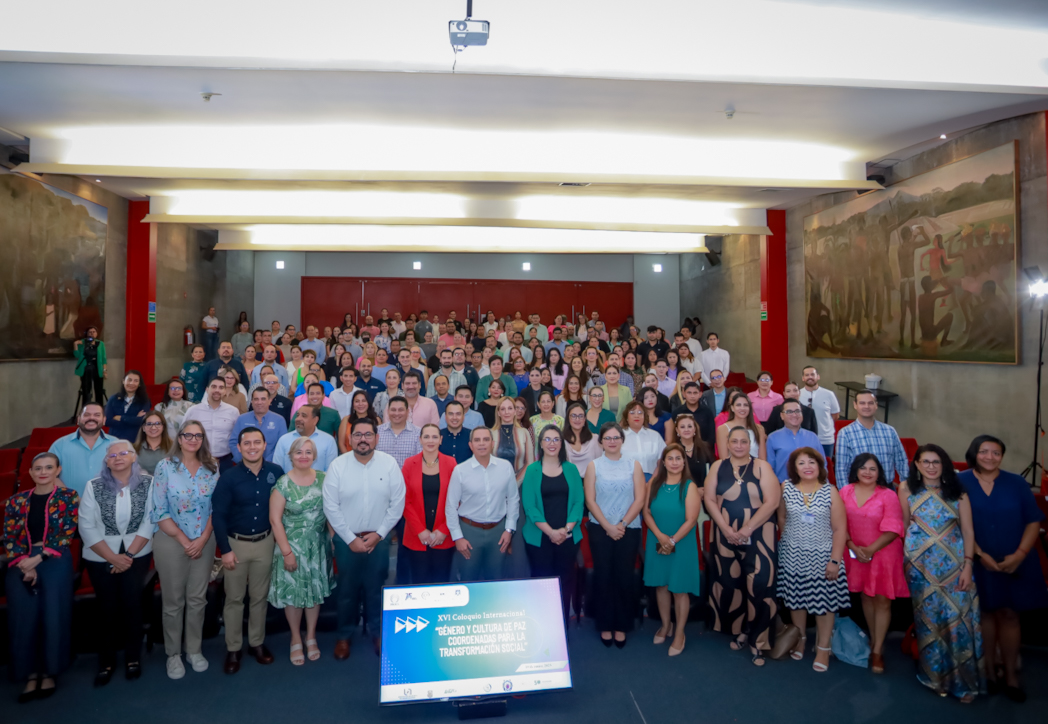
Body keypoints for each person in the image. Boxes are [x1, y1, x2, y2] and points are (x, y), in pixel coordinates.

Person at [958, 435, 1047, 701]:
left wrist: (1020, 554)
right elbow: (956, 523)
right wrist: (980, 555)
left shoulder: (1016, 483)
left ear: (1002, 456)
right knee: (984, 613)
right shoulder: (961, 481)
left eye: (996, 453)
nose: (989, 457)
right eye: (984, 452)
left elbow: (1033, 521)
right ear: (974, 453)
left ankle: (1011, 675)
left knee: (1010, 615)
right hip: (978, 560)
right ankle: (988, 673)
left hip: (1016, 560)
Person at [899, 444, 984, 702]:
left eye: (936, 462)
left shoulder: (957, 492)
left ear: (944, 464)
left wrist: (968, 564)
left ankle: (965, 683)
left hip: (954, 566)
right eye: (925, 461)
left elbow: (968, 531)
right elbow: (906, 525)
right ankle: (934, 678)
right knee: (929, 623)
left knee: (959, 622)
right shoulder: (905, 489)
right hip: (920, 566)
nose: (931, 467)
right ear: (917, 464)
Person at [324, 418, 406, 659]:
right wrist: (350, 538)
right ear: (350, 439)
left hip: (378, 541)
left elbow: (397, 503)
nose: (363, 439)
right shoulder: (338, 465)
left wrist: (380, 533)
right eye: (358, 434)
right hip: (346, 540)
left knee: (376, 589)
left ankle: (377, 632)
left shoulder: (389, 464)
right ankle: (344, 635)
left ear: (376, 438)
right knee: (346, 591)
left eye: (368, 434)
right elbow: (330, 506)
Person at [79, 440, 156, 686]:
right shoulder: (93, 485)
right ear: (106, 461)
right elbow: (86, 525)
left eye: (124, 453)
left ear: (134, 457)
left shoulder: (149, 483)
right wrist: (112, 557)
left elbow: (149, 521)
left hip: (138, 552)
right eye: (112, 455)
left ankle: (133, 657)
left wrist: (129, 556)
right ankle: (107, 661)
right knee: (107, 609)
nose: (118, 457)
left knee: (132, 605)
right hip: (100, 555)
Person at [3, 452, 78, 702]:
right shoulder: (16, 501)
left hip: (54, 560)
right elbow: (10, 536)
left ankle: (49, 671)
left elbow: (65, 532)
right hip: (20, 562)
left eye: (48, 467)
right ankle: (29, 672)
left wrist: (38, 559)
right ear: (31, 473)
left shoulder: (68, 497)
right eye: (38, 468)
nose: (43, 471)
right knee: (23, 618)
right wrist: (24, 564)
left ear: (58, 471)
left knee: (54, 616)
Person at [704, 426, 781, 666]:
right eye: (734, 441)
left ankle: (758, 641)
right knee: (731, 583)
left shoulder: (762, 467)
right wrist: (726, 529)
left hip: (759, 534)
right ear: (727, 443)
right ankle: (742, 630)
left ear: (750, 444)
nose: (738, 445)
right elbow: (708, 498)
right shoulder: (718, 466)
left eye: (743, 442)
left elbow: (772, 502)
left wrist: (747, 529)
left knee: (759, 584)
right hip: (725, 533)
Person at [150, 420, 219, 679]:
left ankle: (194, 649)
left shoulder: (212, 467)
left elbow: (216, 508)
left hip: (204, 539)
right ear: (179, 439)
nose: (192, 439)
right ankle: (173, 655)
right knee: (173, 601)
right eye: (187, 435)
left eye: (198, 435)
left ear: (203, 439)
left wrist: (202, 539)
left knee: (198, 598)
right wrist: (183, 539)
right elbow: (159, 509)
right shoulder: (165, 466)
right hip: (171, 541)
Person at [212, 427, 283, 673]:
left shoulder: (276, 472)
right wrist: (225, 550)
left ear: (265, 445)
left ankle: (256, 643)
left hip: (265, 543)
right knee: (234, 599)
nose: (252, 447)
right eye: (247, 443)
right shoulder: (228, 477)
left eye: (257, 442)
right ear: (239, 448)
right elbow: (219, 516)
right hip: (236, 545)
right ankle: (233, 648)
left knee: (259, 597)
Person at [776, 447, 850, 672]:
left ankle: (823, 648)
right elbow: (782, 519)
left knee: (824, 604)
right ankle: (800, 639)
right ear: (794, 468)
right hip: (792, 555)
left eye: (812, 462)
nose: (807, 467)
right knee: (796, 601)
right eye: (801, 463)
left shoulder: (830, 491)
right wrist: (792, 543)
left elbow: (840, 529)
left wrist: (835, 561)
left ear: (820, 466)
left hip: (823, 556)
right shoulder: (786, 488)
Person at [267, 435, 334, 660]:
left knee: (313, 594)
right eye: (299, 452)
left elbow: (332, 514)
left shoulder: (325, 479)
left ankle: (311, 636)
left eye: (308, 452)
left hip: (318, 547)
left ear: (314, 456)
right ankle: (296, 637)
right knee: (294, 595)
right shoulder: (283, 484)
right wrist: (286, 552)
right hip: (291, 548)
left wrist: (333, 541)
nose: (303, 456)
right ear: (291, 456)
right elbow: (275, 520)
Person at [840, 453, 908, 675]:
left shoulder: (888, 494)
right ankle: (873, 638)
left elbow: (894, 527)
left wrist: (870, 549)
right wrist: (851, 544)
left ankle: (878, 649)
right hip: (855, 553)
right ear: (855, 470)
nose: (867, 472)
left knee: (882, 600)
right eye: (863, 468)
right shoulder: (845, 491)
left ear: (879, 472)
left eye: (873, 469)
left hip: (883, 553)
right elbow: (840, 523)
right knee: (865, 597)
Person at [584, 422, 645, 647]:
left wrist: (622, 523)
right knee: (604, 576)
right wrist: (608, 526)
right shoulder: (594, 466)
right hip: (600, 529)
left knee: (624, 576)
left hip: (628, 529)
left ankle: (622, 625)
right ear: (601, 442)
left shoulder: (634, 465)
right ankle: (604, 624)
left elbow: (639, 498)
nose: (612, 441)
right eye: (607, 438)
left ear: (622, 440)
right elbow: (590, 500)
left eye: (615, 437)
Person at [643, 444, 702, 656]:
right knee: (661, 585)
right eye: (670, 458)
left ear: (684, 462)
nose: (675, 462)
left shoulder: (689, 486)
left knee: (679, 589)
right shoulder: (654, 485)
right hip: (657, 539)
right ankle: (665, 625)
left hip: (682, 542)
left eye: (679, 458)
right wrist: (660, 536)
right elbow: (646, 511)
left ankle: (679, 632)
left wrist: (673, 540)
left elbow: (692, 519)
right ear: (663, 462)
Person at [522, 425, 584, 624]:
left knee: (565, 582)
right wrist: (550, 532)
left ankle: (562, 626)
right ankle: (544, 627)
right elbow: (530, 506)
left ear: (561, 443)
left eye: (556, 439)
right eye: (547, 439)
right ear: (540, 444)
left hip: (568, 537)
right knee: (542, 583)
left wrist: (565, 530)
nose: (552, 443)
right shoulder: (532, 470)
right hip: (539, 538)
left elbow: (578, 502)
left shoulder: (571, 469)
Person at [445, 427, 520, 582]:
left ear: (492, 443)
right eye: (477, 440)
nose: (482, 444)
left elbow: (513, 498)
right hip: (469, 532)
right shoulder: (460, 470)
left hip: (498, 532)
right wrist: (457, 537)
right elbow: (451, 506)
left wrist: (509, 529)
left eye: (486, 439)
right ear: (470, 445)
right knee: (468, 579)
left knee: (496, 579)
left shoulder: (505, 467)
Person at [401, 425, 457, 585]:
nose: (430, 441)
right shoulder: (409, 463)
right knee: (420, 584)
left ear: (441, 440)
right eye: (426, 437)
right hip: (416, 536)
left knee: (441, 583)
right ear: (420, 440)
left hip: (443, 536)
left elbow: (457, 500)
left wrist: (443, 530)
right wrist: (420, 531)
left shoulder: (451, 463)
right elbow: (405, 500)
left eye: (434, 437)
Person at [834, 391, 908, 489]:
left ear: (876, 405)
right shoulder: (845, 433)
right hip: (859, 490)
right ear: (855, 405)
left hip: (886, 488)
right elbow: (841, 469)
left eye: (870, 403)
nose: (867, 406)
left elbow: (901, 461)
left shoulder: (890, 431)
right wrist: (845, 494)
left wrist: (906, 487)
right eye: (862, 403)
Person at [48, 403, 117, 495]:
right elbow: (50, 475)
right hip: (71, 504)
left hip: (109, 503)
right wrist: (71, 497)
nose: (91, 418)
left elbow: (127, 473)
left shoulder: (116, 444)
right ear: (78, 419)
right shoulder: (60, 445)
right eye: (86, 415)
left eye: (97, 415)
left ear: (104, 420)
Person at [182, 377, 241, 471]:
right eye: (214, 387)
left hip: (225, 461)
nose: (217, 390)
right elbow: (182, 434)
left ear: (225, 391)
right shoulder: (193, 411)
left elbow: (238, 437)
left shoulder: (233, 412)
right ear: (207, 389)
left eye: (221, 387)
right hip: (199, 459)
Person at [767, 399, 823, 483]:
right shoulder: (772, 438)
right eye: (789, 412)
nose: (794, 415)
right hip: (783, 487)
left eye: (797, 411)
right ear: (782, 416)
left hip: (811, 486)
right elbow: (769, 468)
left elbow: (822, 464)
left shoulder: (813, 437)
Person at [273, 404, 338, 473]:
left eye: (304, 416)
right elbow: (277, 470)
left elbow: (330, 471)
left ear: (315, 420)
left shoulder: (328, 440)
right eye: (297, 415)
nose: (298, 419)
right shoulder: (284, 440)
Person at [230, 388, 289, 463]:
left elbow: (282, 445)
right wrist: (244, 460)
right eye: (256, 399)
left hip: (271, 465)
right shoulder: (242, 419)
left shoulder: (279, 420)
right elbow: (233, 442)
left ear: (270, 401)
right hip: (244, 464)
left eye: (263, 399)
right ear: (251, 401)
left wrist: (265, 463)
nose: (259, 402)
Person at [798, 366, 840, 461]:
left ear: (818, 377)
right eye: (807, 375)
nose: (810, 377)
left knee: (825, 467)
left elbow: (835, 415)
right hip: (804, 439)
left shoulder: (829, 394)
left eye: (813, 374)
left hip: (825, 439)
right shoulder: (798, 394)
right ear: (803, 378)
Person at [621, 399, 666, 479]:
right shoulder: (619, 436)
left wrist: (652, 481)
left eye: (640, 412)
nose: (636, 415)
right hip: (625, 482)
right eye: (632, 412)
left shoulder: (655, 436)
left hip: (652, 481)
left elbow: (662, 461)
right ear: (626, 417)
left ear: (644, 416)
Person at [716, 393, 767, 461]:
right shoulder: (723, 429)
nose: (742, 408)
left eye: (745, 405)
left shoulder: (759, 429)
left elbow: (762, 459)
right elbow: (724, 459)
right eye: (738, 405)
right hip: (732, 470)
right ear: (732, 408)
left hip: (755, 469)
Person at [104, 370, 151, 442]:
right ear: (123, 381)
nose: (132, 383)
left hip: (134, 441)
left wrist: (121, 418)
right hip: (114, 440)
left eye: (136, 381)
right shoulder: (114, 399)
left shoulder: (144, 401)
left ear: (139, 384)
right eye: (129, 380)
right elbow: (107, 421)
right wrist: (134, 419)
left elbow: (142, 421)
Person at [376, 397, 422, 468]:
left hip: (408, 477)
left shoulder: (418, 433)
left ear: (407, 411)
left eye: (401, 410)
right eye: (393, 410)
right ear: (388, 411)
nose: (397, 413)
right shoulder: (377, 432)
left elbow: (420, 461)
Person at [671, 381, 716, 446]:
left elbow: (711, 436)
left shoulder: (707, 411)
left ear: (700, 394)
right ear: (684, 394)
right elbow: (674, 435)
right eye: (689, 393)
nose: (692, 396)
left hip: (704, 450)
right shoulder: (677, 412)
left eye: (695, 393)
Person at [563, 402, 602, 477]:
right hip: (569, 482)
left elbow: (599, 465)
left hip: (591, 482)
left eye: (581, 416)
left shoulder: (594, 439)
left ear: (585, 419)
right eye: (573, 416)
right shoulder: (562, 441)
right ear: (568, 419)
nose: (577, 419)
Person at [74, 325, 107, 406]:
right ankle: (85, 410)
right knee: (86, 391)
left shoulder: (101, 344)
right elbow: (77, 355)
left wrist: (105, 371)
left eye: (94, 332)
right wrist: (75, 345)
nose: (92, 334)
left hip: (97, 369)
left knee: (99, 391)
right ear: (87, 333)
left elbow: (103, 358)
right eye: (90, 332)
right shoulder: (82, 342)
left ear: (96, 333)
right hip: (86, 370)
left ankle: (99, 409)